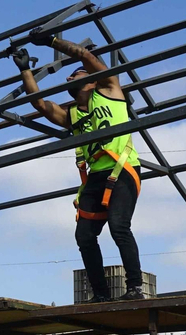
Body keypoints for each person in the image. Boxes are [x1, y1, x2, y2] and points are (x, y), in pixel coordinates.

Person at [15, 30, 146, 303]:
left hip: (122, 170)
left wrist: (52, 41)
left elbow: (85, 56)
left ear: (89, 80)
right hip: (95, 179)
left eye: (74, 75)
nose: (67, 78)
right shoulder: (73, 114)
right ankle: (100, 295)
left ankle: (135, 287)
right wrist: (26, 69)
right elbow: (40, 104)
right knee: (84, 236)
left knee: (118, 226)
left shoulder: (110, 90)